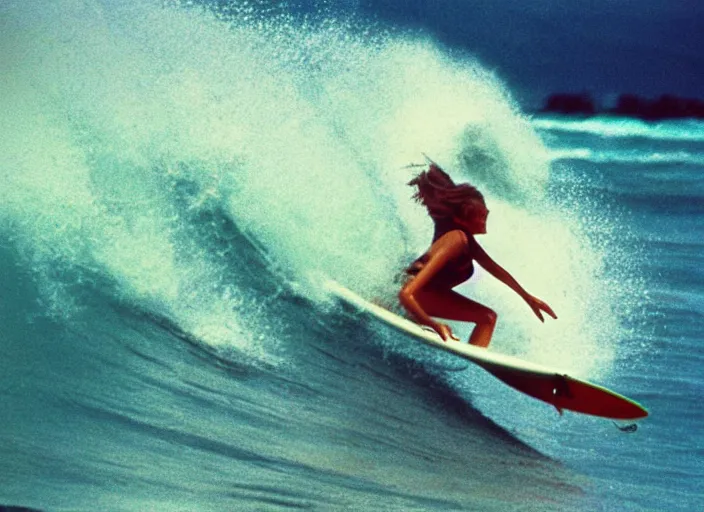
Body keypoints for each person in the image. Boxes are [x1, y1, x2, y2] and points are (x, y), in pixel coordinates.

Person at [398, 163, 557, 347]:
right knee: (487, 317)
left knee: (487, 317)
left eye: (485, 214)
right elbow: (406, 293)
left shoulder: (467, 241)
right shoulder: (455, 241)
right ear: (460, 219)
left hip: (425, 296)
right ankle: (475, 361)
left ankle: (475, 361)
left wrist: (527, 297)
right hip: (410, 297)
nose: (484, 221)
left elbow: (495, 269)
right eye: (480, 216)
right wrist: (432, 325)